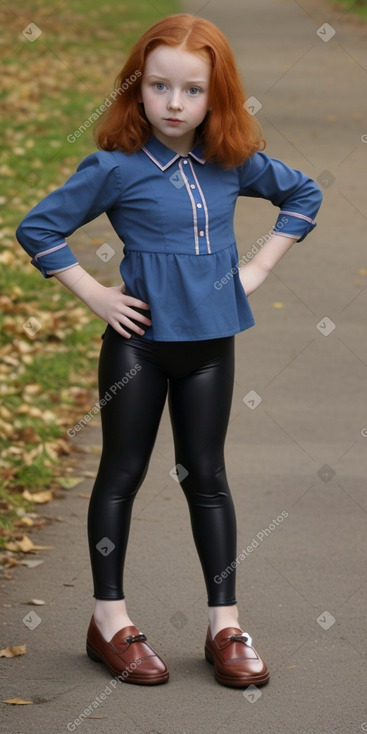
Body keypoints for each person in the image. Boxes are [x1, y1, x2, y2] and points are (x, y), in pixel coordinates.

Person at [16, 13, 322, 688]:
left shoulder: (229, 161)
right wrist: (95, 296)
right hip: (139, 350)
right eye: (159, 86)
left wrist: (258, 269)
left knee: (206, 478)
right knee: (120, 476)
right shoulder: (115, 166)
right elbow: (38, 228)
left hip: (211, 349)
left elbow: (302, 194)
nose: (174, 104)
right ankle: (110, 621)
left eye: (191, 90)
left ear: (216, 96)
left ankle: (224, 626)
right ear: (137, 87)